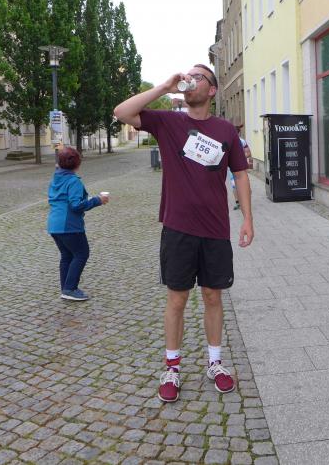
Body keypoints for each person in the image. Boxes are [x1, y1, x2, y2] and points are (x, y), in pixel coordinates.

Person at [113, 64, 254, 403]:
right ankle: (172, 367)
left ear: (212, 90)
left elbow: (240, 174)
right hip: (178, 228)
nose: (190, 80)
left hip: (215, 228)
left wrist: (248, 219)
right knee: (177, 299)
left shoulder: (225, 130)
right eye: (188, 76)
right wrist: (165, 87)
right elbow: (122, 112)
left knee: (212, 297)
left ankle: (215, 363)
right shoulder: (169, 122)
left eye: (198, 77)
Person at [47, 147, 109, 301]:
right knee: (81, 254)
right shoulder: (73, 181)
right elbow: (76, 205)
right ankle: (70, 289)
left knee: (67, 255)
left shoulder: (56, 178)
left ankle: (66, 288)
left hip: (54, 225)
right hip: (69, 225)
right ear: (77, 164)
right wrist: (97, 200)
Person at [230, 124, 252, 210]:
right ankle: (238, 203)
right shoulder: (229, 140)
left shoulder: (242, 141)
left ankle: (245, 201)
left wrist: (240, 158)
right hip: (232, 167)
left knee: (243, 184)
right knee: (234, 184)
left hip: (241, 167)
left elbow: (248, 153)